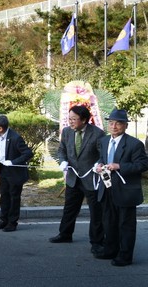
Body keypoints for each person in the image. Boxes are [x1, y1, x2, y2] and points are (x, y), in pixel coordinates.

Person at [93, 109, 148, 266]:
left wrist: (119, 166)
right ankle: (110, 250)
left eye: (118, 123)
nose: (114, 126)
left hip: (126, 191)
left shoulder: (134, 144)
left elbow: (143, 165)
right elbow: (102, 158)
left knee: (125, 225)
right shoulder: (104, 141)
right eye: (111, 123)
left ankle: (125, 256)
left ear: (125, 126)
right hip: (107, 187)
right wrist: (99, 165)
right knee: (108, 221)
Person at [49, 105, 104, 254]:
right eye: (69, 119)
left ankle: (97, 241)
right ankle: (65, 234)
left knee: (96, 211)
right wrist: (63, 161)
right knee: (69, 208)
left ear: (84, 120)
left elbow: (103, 154)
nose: (70, 122)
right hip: (73, 178)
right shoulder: (66, 132)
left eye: (74, 119)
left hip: (90, 178)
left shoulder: (98, 133)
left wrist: (98, 164)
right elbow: (62, 150)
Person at [0, 114, 33, 232]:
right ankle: (3, 220)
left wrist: (13, 162)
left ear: (0, 128)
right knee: (4, 196)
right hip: (4, 171)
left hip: (15, 172)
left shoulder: (15, 138)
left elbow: (28, 153)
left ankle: (12, 223)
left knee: (14, 197)